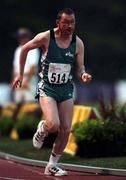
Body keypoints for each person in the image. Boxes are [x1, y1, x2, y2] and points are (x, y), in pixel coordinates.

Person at [12, 8, 92, 176]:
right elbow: (25, 49)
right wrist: (20, 73)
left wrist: (83, 74)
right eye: (66, 22)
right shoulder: (46, 37)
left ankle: (51, 165)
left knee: (65, 129)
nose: (70, 26)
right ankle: (43, 128)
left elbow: (80, 67)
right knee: (53, 125)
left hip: (66, 89)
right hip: (47, 88)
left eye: (72, 22)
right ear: (58, 23)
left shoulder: (78, 43)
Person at [12, 27, 40, 103]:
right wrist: (13, 80)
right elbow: (15, 67)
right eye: (19, 37)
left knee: (29, 101)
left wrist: (26, 81)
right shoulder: (18, 49)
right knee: (18, 102)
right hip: (18, 78)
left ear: (27, 37)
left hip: (29, 78)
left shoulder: (33, 49)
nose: (20, 39)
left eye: (22, 37)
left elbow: (32, 67)